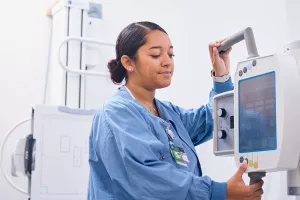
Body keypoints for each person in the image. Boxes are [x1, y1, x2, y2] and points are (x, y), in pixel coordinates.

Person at [87, 21, 264, 200]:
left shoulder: (168, 114)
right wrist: (219, 192)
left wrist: (221, 75)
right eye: (156, 55)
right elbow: (151, 180)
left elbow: (215, 119)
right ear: (128, 62)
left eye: (171, 54)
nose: (167, 62)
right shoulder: (116, 114)